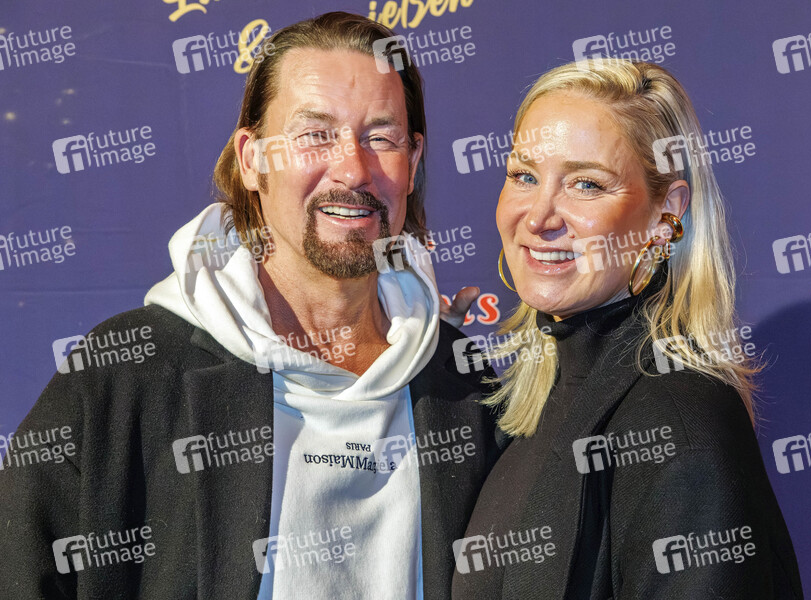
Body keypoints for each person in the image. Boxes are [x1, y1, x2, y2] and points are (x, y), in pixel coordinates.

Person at [0, 13, 499, 600]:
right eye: (315, 134)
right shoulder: (124, 377)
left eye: (381, 137)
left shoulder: (463, 385)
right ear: (252, 159)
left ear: (411, 165)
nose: (352, 169)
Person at [451, 60, 804, 599]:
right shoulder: (529, 405)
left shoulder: (679, 419)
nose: (539, 216)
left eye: (586, 184)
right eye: (524, 176)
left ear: (666, 215)